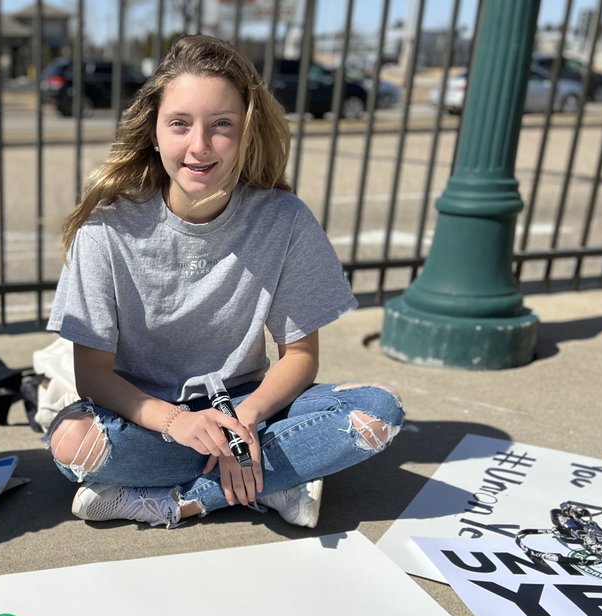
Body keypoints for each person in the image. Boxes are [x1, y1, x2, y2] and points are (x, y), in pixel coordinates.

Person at [46, 35, 404, 529]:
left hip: (249, 407)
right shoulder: (105, 230)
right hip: (146, 419)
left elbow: (300, 356)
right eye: (180, 124)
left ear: (246, 133)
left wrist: (244, 424)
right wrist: (179, 422)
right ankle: (278, 480)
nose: (199, 145)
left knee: (377, 414)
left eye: (221, 125)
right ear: (154, 131)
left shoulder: (285, 220)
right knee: (72, 442)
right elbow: (92, 374)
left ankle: (183, 501)